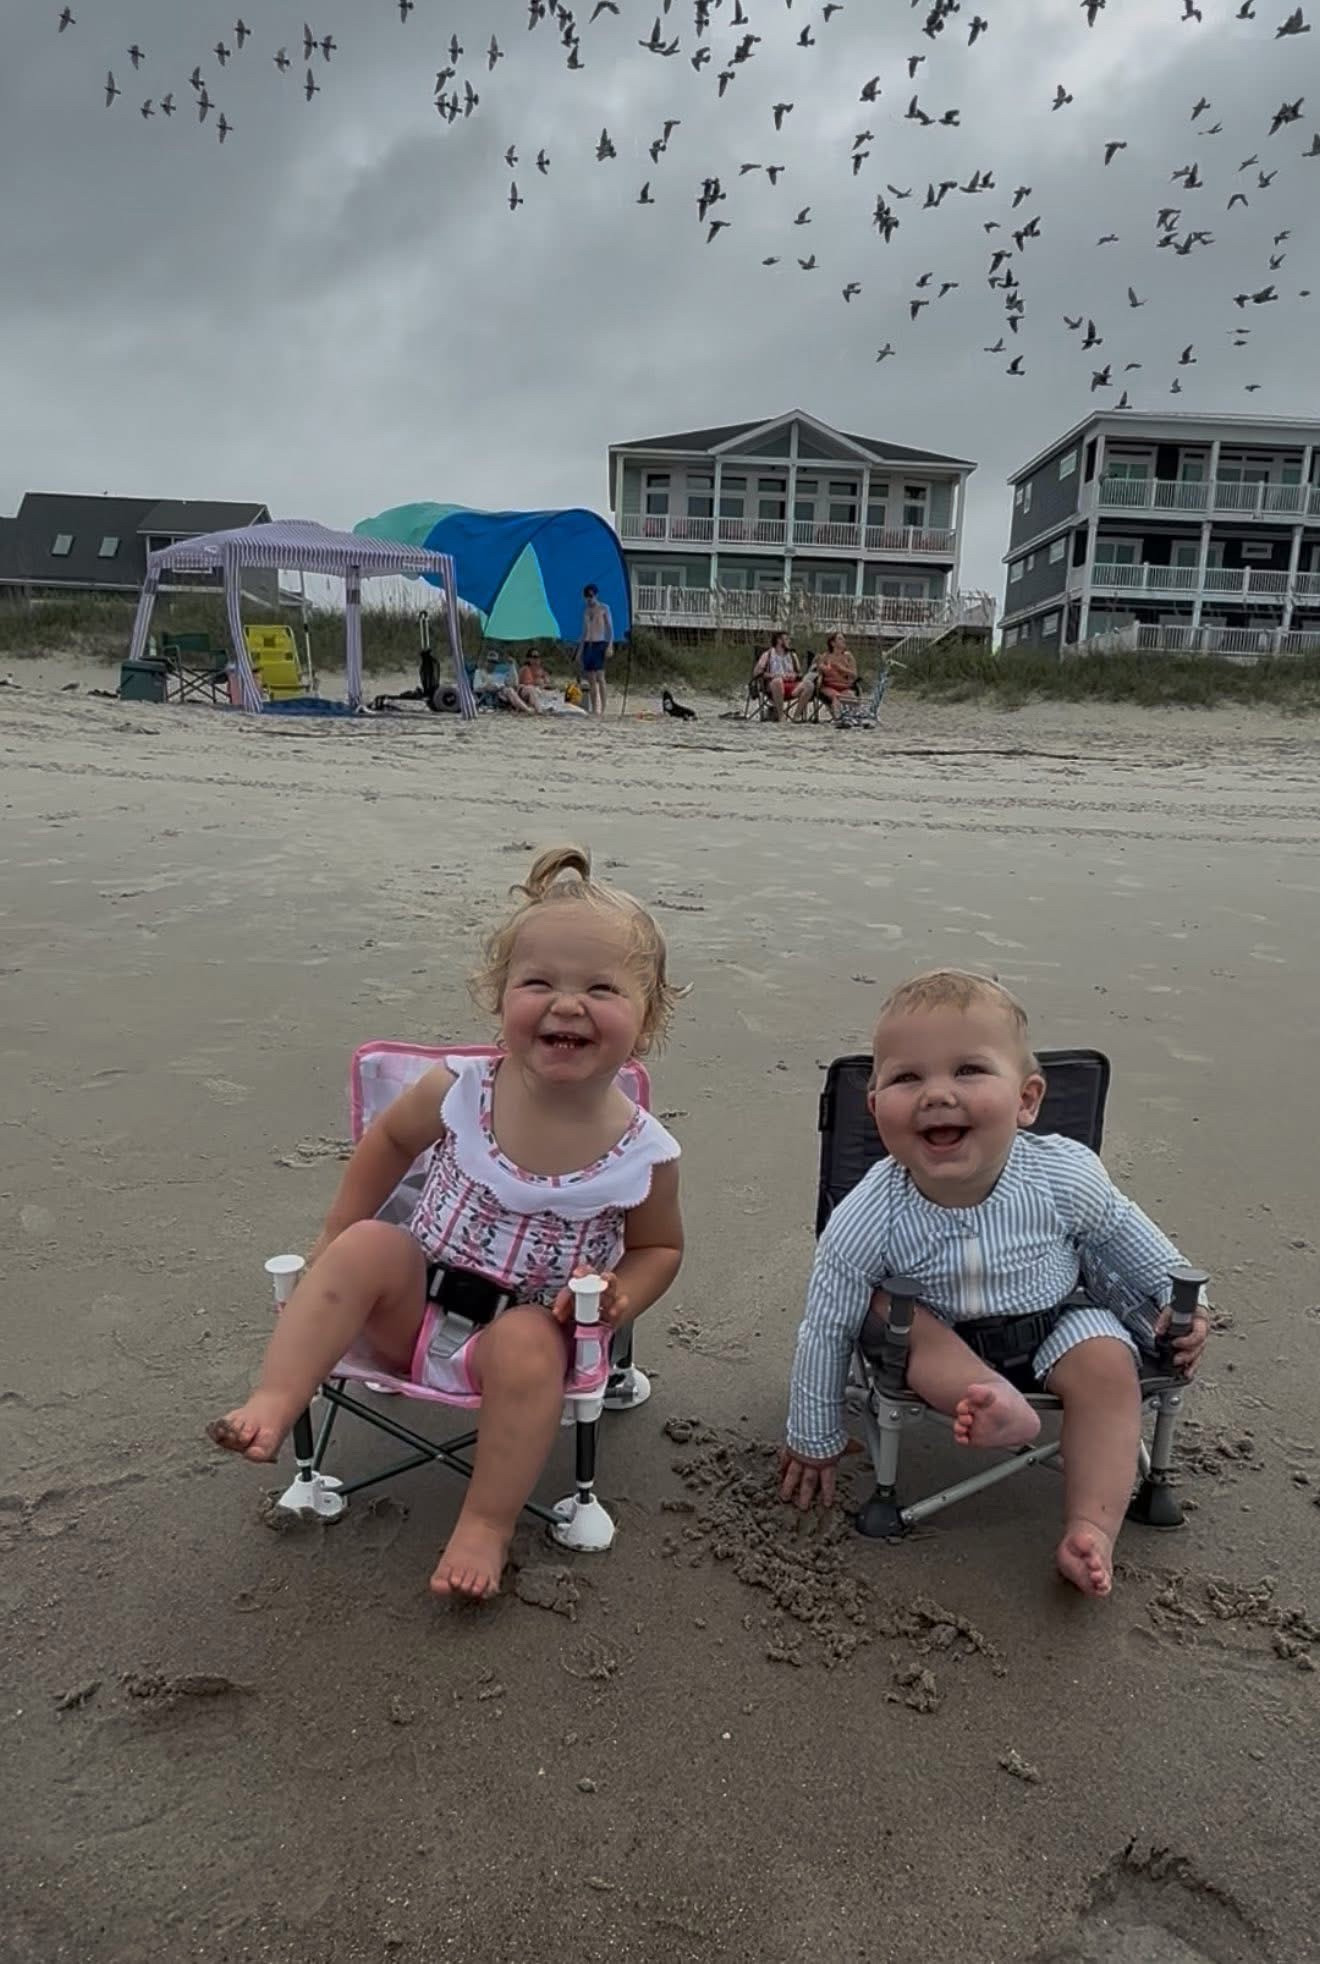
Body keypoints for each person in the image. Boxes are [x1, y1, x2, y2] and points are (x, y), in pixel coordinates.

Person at [210, 845, 685, 1602]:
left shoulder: (643, 1153)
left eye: (601, 988)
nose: (567, 1004)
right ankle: (276, 1396)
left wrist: (623, 1288)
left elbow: (660, 1246)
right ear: (501, 1000)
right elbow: (391, 1142)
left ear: (648, 1018)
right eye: (538, 983)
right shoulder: (461, 1090)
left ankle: (485, 1525)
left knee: (531, 1345)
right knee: (368, 1245)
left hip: (517, 1339)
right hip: (412, 1308)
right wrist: (339, 1229)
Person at [779, 969, 1209, 1599]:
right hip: (941, 1334)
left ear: (1027, 1100)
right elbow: (827, 1324)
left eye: (969, 1071)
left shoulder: (1064, 1174)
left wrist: (1186, 1308)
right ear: (876, 1111)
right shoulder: (870, 1212)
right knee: (895, 1316)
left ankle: (1090, 1530)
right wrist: (812, 1434)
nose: (936, 1094)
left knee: (1109, 1368)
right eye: (906, 1078)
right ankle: (995, 1404)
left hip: (1060, 1316)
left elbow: (1134, 1241)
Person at [789, 631, 858, 723]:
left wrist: (842, 669)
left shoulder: (848, 656)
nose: (844, 640)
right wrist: (821, 668)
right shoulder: (826, 656)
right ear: (833, 643)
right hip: (828, 686)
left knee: (852, 698)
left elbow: (854, 675)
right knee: (836, 696)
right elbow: (818, 672)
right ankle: (838, 718)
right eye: (840, 639)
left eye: (843, 638)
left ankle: (856, 718)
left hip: (844, 686)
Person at [577, 584, 614, 717]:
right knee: (591, 678)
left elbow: (610, 629)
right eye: (587, 597)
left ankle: (604, 707)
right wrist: (580, 651)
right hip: (588, 644)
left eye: (591, 596)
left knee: (600, 676)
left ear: (596, 595)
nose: (589, 599)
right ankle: (594, 708)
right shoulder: (586, 611)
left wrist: (610, 645)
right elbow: (584, 631)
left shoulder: (604, 608)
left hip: (600, 643)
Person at [752, 631, 800, 721]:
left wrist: (794, 675)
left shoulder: (793, 655)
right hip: (773, 685)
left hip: (791, 685)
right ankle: (781, 716)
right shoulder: (768, 654)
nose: (789, 641)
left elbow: (799, 674)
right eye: (786, 639)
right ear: (779, 641)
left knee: (808, 685)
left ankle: (797, 717)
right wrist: (773, 675)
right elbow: (757, 672)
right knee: (778, 681)